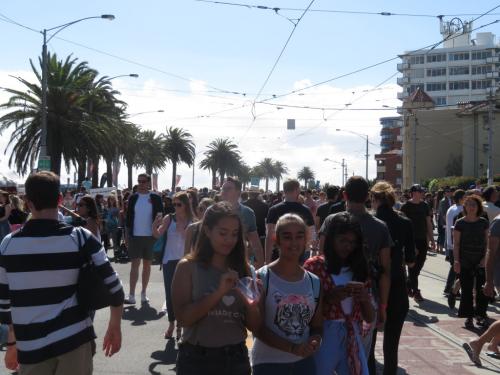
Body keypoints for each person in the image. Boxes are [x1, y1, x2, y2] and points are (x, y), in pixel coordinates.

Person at [0, 171, 124, 374]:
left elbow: (5, 304)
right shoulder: (80, 238)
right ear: (59, 200)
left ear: (27, 203)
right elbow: (115, 287)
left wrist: (12, 345)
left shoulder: (8, 245)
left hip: (31, 346)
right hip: (74, 340)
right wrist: (114, 325)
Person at [171, 202, 261, 375]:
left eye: (234, 234)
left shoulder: (245, 270)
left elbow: (254, 326)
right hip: (197, 360)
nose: (229, 240)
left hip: (236, 358)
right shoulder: (188, 267)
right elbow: (183, 319)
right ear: (207, 231)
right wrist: (219, 292)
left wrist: (252, 303)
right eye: (223, 233)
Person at [319, 176, 391, 375]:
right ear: (368, 196)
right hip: (366, 301)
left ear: (344, 195)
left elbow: (321, 258)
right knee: (357, 362)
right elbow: (385, 271)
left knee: (324, 362)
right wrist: (383, 306)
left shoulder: (332, 221)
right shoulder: (380, 227)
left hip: (331, 301)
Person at [251, 214, 323, 374]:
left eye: (299, 236)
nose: (294, 243)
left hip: (304, 365)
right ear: (277, 240)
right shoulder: (261, 277)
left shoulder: (314, 282)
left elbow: (317, 326)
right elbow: (258, 328)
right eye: (287, 237)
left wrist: (315, 340)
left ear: (306, 240)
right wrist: (293, 348)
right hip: (268, 364)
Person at [305, 212, 375, 375]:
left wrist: (364, 299)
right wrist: (329, 299)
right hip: (323, 335)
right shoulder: (314, 267)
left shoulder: (360, 269)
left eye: (352, 242)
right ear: (331, 239)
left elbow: (370, 317)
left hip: (353, 335)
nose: (348, 246)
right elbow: (304, 312)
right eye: (342, 240)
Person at [371, 182, 416, 375]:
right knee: (391, 344)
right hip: (397, 284)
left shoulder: (370, 222)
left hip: (372, 285)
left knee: (368, 343)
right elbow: (412, 260)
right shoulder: (405, 222)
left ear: (374, 199)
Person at [153, 192, 194, 340]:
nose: (175, 207)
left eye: (179, 204)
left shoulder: (192, 220)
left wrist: (186, 232)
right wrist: (154, 226)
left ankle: (182, 325)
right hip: (169, 260)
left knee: (185, 294)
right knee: (170, 294)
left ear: (185, 205)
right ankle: (171, 323)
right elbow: (158, 235)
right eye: (174, 204)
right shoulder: (169, 218)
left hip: (186, 261)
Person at [463, 211, 500, 366]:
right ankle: (479, 343)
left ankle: (486, 344)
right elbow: (490, 252)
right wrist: (489, 281)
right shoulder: (498, 222)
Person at [125, 173, 164, 305]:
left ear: (148, 183)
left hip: (150, 236)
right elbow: (128, 218)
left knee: (147, 266)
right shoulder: (133, 198)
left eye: (143, 181)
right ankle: (131, 295)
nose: (140, 184)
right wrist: (127, 236)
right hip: (135, 236)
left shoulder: (155, 198)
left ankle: (143, 293)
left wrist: (157, 231)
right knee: (134, 265)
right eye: (139, 181)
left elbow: (160, 216)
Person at [453, 194, 489, 329]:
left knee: (481, 290)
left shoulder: (483, 222)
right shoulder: (460, 223)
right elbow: (456, 244)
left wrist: (485, 258)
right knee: (467, 290)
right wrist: (457, 261)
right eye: (469, 205)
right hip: (465, 260)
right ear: (465, 207)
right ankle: (468, 316)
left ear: (478, 207)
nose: (471, 207)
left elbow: (487, 243)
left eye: (474, 205)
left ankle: (481, 314)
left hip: (481, 260)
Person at [266, 179, 315, 264]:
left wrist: (267, 260)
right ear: (296, 190)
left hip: (278, 255)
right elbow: (311, 235)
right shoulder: (305, 210)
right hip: (300, 255)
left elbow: (270, 236)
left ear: (284, 190)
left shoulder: (273, 210)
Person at [400, 184, 435, 302]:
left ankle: (408, 285)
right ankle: (415, 291)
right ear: (414, 193)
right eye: (420, 192)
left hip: (422, 240)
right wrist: (407, 244)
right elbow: (403, 226)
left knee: (419, 265)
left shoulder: (424, 206)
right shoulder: (405, 206)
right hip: (410, 241)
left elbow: (429, 223)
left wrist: (432, 240)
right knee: (412, 266)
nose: (422, 194)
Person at [221, 177, 264, 268]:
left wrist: (261, 267)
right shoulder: (212, 211)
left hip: (238, 263)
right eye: (223, 188)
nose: (224, 191)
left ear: (238, 192)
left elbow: (255, 242)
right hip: (215, 262)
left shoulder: (247, 213)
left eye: (228, 189)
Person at [444, 189, 466, 301]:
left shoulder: (451, 208)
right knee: (457, 268)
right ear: (461, 199)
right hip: (457, 243)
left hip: (450, 242)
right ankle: (452, 289)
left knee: (454, 267)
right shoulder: (460, 210)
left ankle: (450, 289)